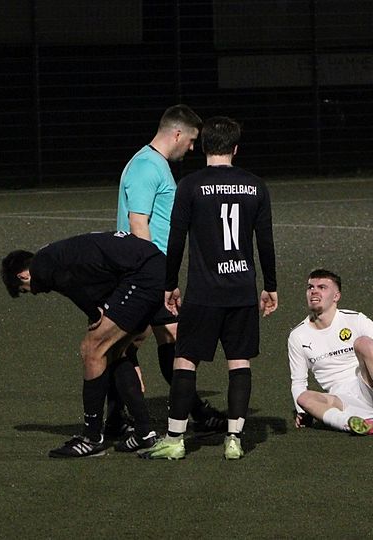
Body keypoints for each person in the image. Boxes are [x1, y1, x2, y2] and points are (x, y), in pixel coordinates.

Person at [140, 116, 278, 460]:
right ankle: (234, 439)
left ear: (203, 147)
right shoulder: (255, 186)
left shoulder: (190, 185)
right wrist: (270, 285)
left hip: (203, 292)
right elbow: (265, 241)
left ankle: (175, 439)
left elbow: (176, 239)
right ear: (235, 148)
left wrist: (170, 284)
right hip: (241, 289)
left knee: (185, 361)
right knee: (239, 362)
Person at [112, 104, 227, 436]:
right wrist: (156, 275)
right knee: (130, 342)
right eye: (190, 140)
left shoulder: (153, 164)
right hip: (145, 271)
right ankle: (124, 415)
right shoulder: (147, 167)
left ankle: (179, 411)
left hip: (149, 269)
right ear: (177, 134)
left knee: (163, 337)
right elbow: (138, 224)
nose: (191, 148)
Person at [0, 231, 163, 458]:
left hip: (142, 274)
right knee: (115, 352)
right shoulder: (59, 254)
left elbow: (68, 282)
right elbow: (98, 277)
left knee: (91, 350)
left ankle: (91, 438)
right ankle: (145, 433)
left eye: (24, 290)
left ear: (23, 276)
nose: (33, 293)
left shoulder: (41, 265)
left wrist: (94, 313)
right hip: (150, 267)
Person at [287, 269, 373, 436]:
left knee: (363, 342)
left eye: (322, 287)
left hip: (372, 388)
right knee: (303, 398)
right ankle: (353, 423)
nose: (314, 291)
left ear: (336, 296)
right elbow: (298, 382)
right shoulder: (298, 335)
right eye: (310, 287)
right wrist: (303, 412)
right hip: (341, 400)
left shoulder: (355, 320)